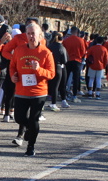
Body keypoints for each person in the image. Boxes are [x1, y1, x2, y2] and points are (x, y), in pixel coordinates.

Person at [10, 22, 55, 156]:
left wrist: (39, 69)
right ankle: (30, 129)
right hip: (21, 91)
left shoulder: (46, 52)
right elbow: (12, 66)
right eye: (28, 34)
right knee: (19, 118)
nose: (31, 36)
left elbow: (51, 74)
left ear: (40, 35)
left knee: (34, 119)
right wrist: (13, 76)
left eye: (33, 34)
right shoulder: (19, 50)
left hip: (38, 92)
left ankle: (31, 147)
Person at [62, 27, 87, 100]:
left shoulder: (66, 40)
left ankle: (64, 93)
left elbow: (64, 50)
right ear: (77, 32)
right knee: (76, 78)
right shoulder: (81, 40)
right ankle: (74, 95)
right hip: (77, 60)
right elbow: (83, 51)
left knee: (66, 78)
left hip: (68, 60)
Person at [47, 31, 68, 111]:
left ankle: (49, 102)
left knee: (51, 85)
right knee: (57, 86)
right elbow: (65, 60)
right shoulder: (61, 47)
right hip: (58, 67)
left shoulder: (49, 46)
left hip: (50, 67)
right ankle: (54, 103)